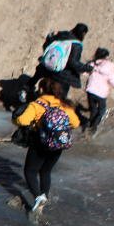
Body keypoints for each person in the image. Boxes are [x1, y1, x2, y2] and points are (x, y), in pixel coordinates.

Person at [14, 77, 80, 212]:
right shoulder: (64, 105)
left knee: (30, 172)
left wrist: (15, 120)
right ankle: (44, 197)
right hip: (58, 143)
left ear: (42, 89)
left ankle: (38, 197)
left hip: (40, 143)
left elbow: (23, 121)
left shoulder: (37, 104)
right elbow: (76, 123)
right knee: (46, 171)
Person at [24, 23, 92, 98]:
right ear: (84, 33)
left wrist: (51, 59)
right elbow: (73, 63)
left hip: (45, 66)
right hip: (59, 73)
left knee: (35, 79)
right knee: (59, 95)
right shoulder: (77, 45)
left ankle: (24, 92)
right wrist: (88, 68)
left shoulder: (60, 35)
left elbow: (46, 46)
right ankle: (39, 98)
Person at [83, 47, 114, 131]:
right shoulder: (109, 66)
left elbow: (83, 73)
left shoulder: (92, 64)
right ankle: (93, 128)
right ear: (106, 56)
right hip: (101, 94)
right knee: (101, 110)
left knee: (93, 109)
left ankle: (90, 126)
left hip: (90, 91)